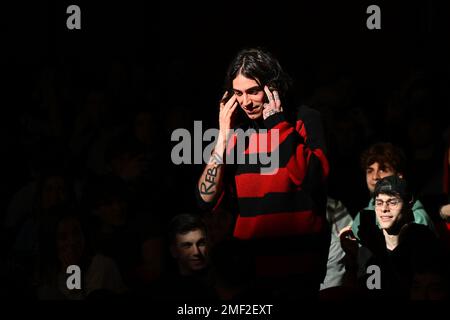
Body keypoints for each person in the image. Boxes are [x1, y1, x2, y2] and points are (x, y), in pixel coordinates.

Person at [196, 47, 330, 299]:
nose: (245, 102)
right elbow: (205, 199)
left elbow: (314, 180)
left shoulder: (304, 119)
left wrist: (277, 125)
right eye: (238, 93)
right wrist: (223, 137)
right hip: (247, 272)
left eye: (253, 91)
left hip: (299, 268)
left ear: (272, 87)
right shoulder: (235, 133)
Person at [340, 176, 448, 299]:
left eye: (392, 202)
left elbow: (422, 289)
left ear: (409, 203)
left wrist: (380, 254)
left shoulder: (422, 241)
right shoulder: (369, 247)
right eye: (379, 203)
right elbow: (367, 293)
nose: (384, 209)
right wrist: (352, 259)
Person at [348, 142, 435, 242]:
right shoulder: (362, 216)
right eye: (370, 170)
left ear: (399, 176)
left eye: (383, 169)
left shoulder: (417, 218)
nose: (375, 176)